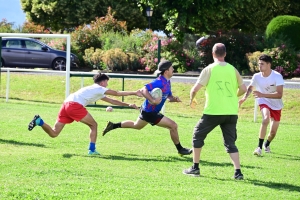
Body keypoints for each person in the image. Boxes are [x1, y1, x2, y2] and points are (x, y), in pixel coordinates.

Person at [28, 73, 141, 155]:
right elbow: (116, 93)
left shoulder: (95, 89)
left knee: (54, 133)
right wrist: (135, 92)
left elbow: (112, 101)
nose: (107, 85)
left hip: (66, 104)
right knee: (94, 125)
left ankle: (39, 121)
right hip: (74, 106)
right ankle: (92, 150)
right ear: (102, 82)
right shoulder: (98, 88)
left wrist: (128, 104)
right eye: (107, 82)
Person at [182, 43, 247, 179]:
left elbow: (194, 89)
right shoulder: (233, 69)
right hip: (231, 112)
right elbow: (243, 89)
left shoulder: (209, 69)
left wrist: (191, 99)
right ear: (225, 54)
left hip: (213, 111)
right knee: (230, 143)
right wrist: (233, 96)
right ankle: (238, 172)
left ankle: (195, 167)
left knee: (197, 135)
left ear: (212, 54)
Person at [102, 60, 192, 156]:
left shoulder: (167, 82)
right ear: (166, 71)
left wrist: (174, 99)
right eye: (172, 68)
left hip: (146, 110)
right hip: (150, 112)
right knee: (173, 126)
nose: (173, 69)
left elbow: (168, 97)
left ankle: (113, 125)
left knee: (137, 126)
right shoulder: (159, 81)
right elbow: (144, 89)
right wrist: (152, 101)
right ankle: (180, 149)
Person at [239, 54, 284, 156]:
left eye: (262, 64)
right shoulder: (256, 76)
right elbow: (250, 88)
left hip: (276, 105)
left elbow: (279, 95)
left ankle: (266, 144)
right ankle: (258, 147)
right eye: (259, 64)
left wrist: (262, 94)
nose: (259, 66)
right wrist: (243, 99)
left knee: (273, 133)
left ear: (269, 64)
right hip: (264, 101)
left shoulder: (277, 76)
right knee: (265, 119)